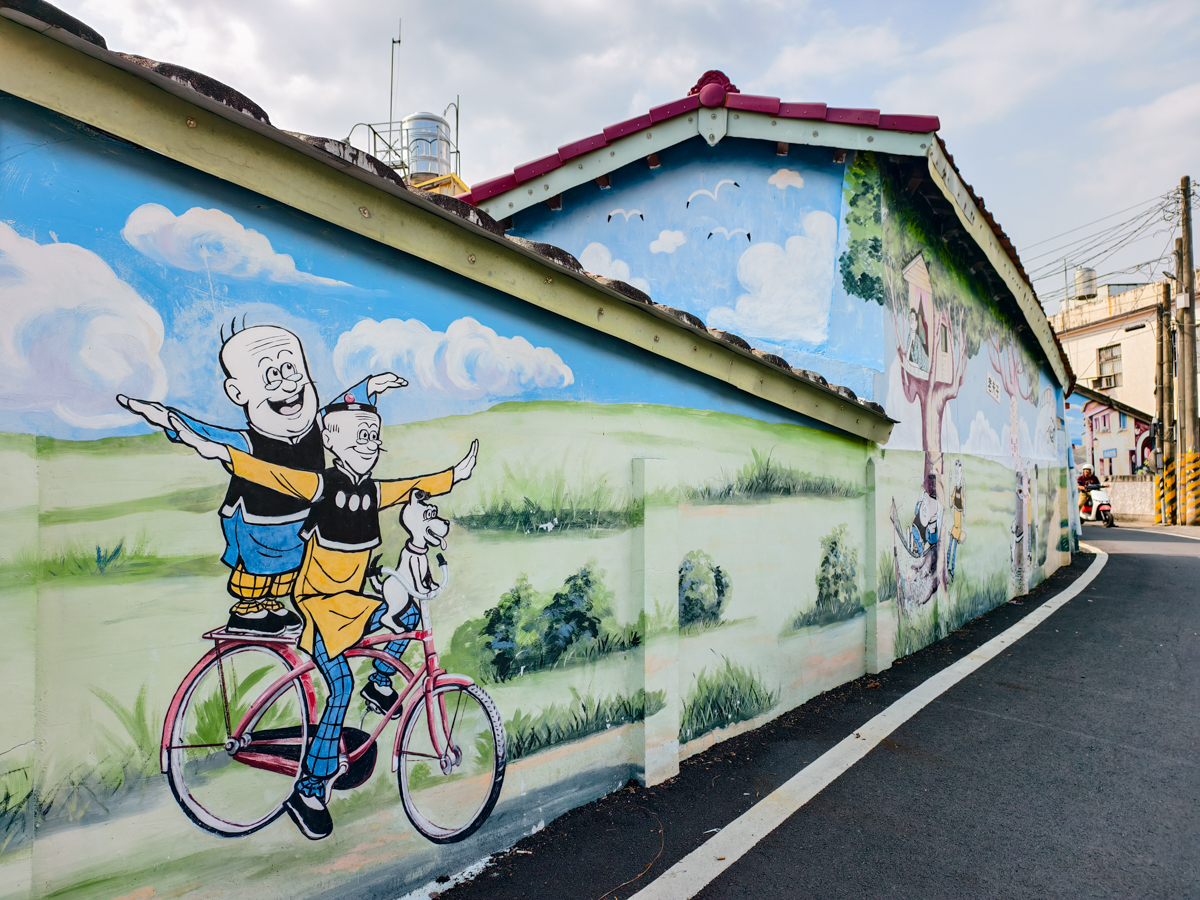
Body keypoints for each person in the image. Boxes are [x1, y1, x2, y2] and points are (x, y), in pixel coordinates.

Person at [170, 398, 478, 841]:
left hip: (351, 604)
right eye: (358, 435)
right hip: (320, 608)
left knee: (408, 612)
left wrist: (454, 475)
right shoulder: (320, 487)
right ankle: (310, 789)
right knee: (341, 687)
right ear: (331, 440)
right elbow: (265, 472)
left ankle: (381, 684)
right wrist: (211, 447)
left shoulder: (371, 493)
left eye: (373, 435)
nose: (369, 443)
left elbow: (411, 485)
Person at [117, 324, 405, 636]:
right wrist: (167, 418)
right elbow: (205, 434)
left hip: (299, 520)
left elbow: (341, 410)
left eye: (291, 369)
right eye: (271, 375)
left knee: (290, 565)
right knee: (257, 567)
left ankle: (271, 604)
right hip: (257, 521)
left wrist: (369, 386)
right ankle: (247, 609)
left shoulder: (318, 427)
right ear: (238, 392)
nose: (287, 384)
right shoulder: (247, 442)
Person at [947, 460, 965, 580]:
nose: (957, 477)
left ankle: (952, 569)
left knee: (953, 549)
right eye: (956, 474)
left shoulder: (961, 491)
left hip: (958, 527)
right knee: (950, 548)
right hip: (955, 525)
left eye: (959, 474)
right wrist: (949, 483)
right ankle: (947, 566)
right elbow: (950, 504)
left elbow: (963, 509)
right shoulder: (955, 490)